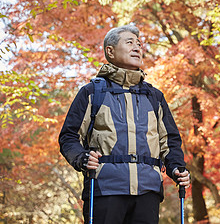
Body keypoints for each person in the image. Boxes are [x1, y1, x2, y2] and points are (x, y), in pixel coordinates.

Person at [59, 24, 190, 224]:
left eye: (139, 44)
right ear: (110, 51)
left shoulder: (155, 97)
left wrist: (177, 168)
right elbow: (68, 137)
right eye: (129, 42)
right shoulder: (92, 93)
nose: (137, 47)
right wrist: (82, 158)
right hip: (104, 189)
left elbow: (170, 142)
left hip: (148, 192)